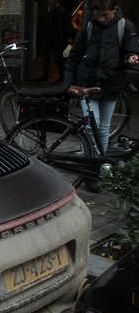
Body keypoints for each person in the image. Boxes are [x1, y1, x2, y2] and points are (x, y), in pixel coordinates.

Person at [63, 0, 139, 191]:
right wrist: (67, 85)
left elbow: (129, 50)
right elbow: (75, 56)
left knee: (103, 127)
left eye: (105, 15)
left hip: (112, 84)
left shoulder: (125, 26)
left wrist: (131, 58)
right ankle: (89, 167)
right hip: (88, 83)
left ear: (115, 10)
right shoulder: (88, 26)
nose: (102, 19)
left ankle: (98, 167)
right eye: (98, 15)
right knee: (91, 126)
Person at [39, 0, 71, 82]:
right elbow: (43, 23)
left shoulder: (61, 11)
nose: (51, 2)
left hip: (59, 37)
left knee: (59, 57)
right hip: (48, 36)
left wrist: (69, 36)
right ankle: (45, 75)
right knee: (46, 56)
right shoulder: (47, 11)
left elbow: (67, 24)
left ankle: (61, 75)